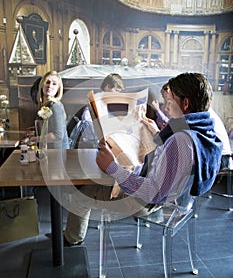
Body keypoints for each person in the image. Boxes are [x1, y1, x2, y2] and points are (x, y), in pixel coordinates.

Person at [96, 72, 223, 215]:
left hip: (150, 203)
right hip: (179, 199)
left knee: (85, 193)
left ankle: (72, 238)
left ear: (185, 103)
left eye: (170, 101)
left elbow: (153, 193)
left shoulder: (180, 140)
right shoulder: (204, 131)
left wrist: (112, 167)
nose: (167, 107)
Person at [64, 73, 125, 246]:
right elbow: (88, 128)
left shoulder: (109, 104)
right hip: (91, 151)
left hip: (105, 154)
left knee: (85, 192)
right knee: (86, 187)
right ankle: (73, 234)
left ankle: (73, 235)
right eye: (117, 90)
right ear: (107, 88)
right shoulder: (96, 104)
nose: (119, 94)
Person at [36, 70, 69, 149]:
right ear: (42, 85)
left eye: (54, 84)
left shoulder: (55, 106)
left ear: (58, 89)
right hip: (49, 152)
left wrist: (35, 139)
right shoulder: (46, 105)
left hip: (57, 154)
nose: (50, 86)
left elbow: (57, 135)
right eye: (47, 82)